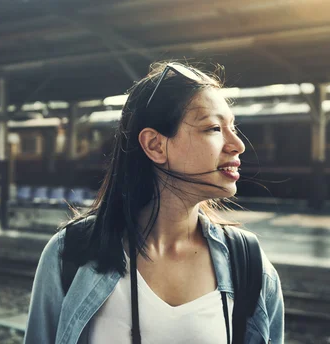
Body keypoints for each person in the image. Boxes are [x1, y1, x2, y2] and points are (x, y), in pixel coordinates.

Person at [24, 62, 284, 344]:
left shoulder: (248, 262)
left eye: (232, 127)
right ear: (155, 145)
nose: (237, 144)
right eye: (213, 128)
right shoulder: (71, 254)